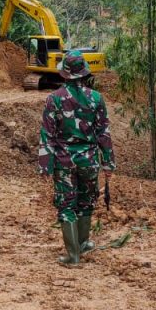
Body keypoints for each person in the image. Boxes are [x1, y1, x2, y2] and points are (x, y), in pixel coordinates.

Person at [37, 50, 116, 267]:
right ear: (84, 73)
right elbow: (104, 133)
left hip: (64, 162)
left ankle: (73, 256)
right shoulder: (96, 98)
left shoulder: (54, 99)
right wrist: (108, 162)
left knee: (66, 205)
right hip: (90, 160)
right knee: (86, 201)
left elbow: (47, 134)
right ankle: (82, 244)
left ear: (65, 74)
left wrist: (45, 165)